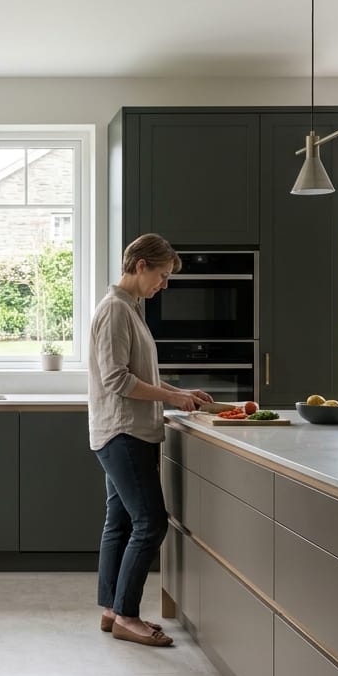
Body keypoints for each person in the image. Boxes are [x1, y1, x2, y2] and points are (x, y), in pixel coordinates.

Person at [88, 233, 213, 647]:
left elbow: (137, 373)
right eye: (161, 275)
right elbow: (117, 380)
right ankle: (127, 615)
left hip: (125, 429)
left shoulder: (129, 309)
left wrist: (181, 391)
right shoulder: (115, 311)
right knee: (150, 522)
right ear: (141, 266)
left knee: (121, 521)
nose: (164, 284)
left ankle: (111, 610)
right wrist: (173, 396)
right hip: (123, 431)